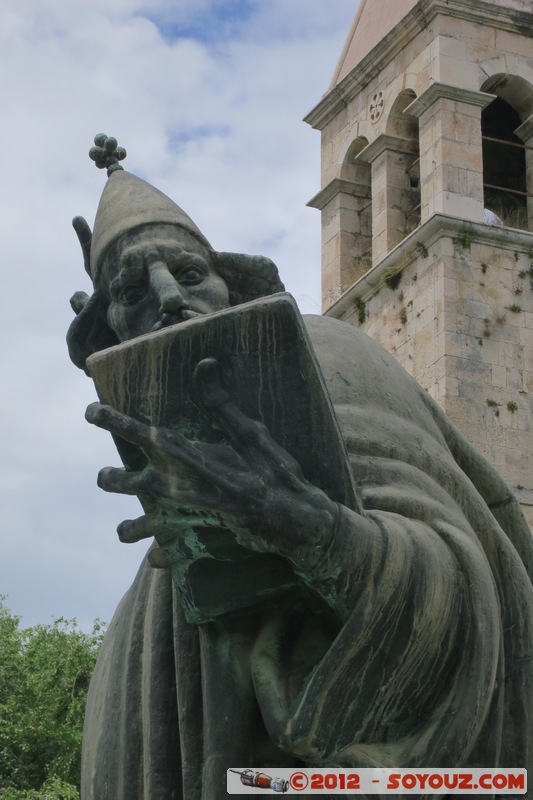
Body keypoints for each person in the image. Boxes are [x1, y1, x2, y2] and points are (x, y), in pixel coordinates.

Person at [69, 137, 533, 800]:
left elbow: (469, 584)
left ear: (236, 285)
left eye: (191, 274)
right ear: (112, 338)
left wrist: (314, 532)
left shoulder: (334, 356)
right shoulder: (156, 579)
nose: (171, 299)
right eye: (133, 294)